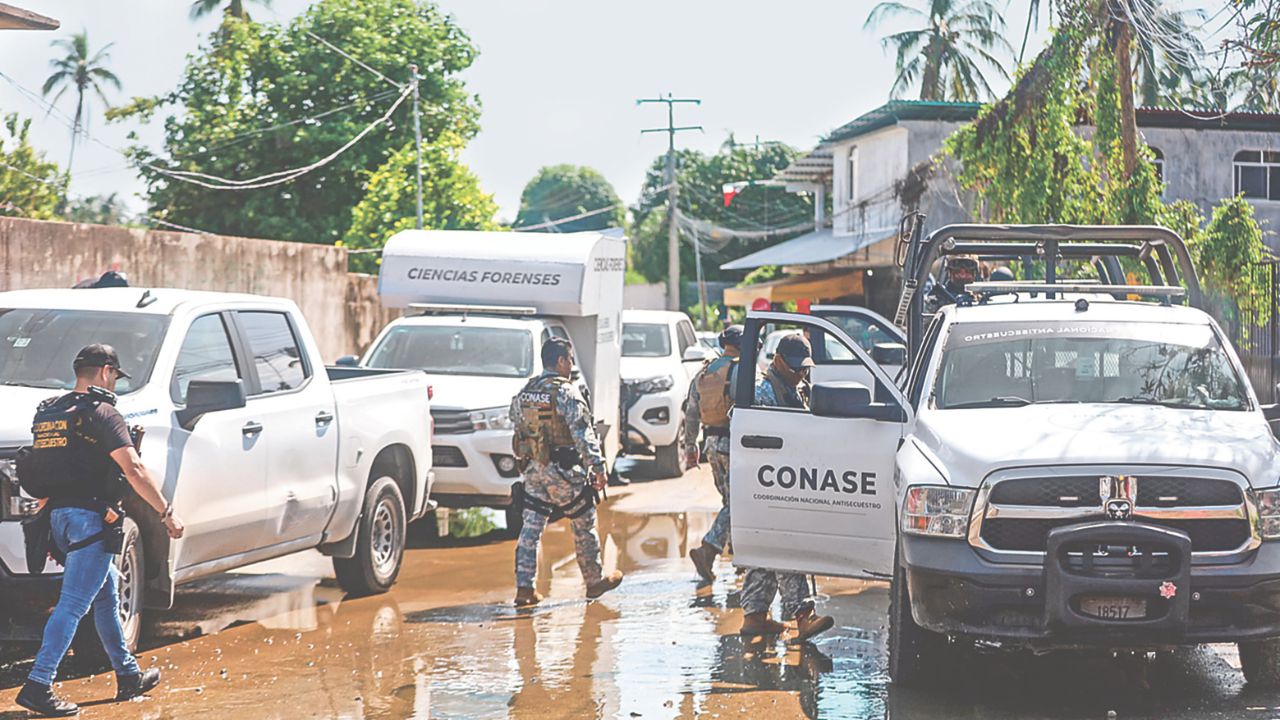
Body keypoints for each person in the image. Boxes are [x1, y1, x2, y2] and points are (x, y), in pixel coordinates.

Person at [16, 345, 184, 718]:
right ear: (107, 371)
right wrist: (165, 513)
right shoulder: (102, 413)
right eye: (115, 376)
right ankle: (38, 685)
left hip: (58, 519)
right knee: (73, 604)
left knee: (106, 593)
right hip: (91, 520)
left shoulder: (49, 412)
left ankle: (128, 675)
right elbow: (135, 470)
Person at [509, 337, 623, 608]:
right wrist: (598, 467)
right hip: (562, 470)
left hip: (535, 469)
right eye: (570, 360)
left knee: (531, 528)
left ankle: (525, 588)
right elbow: (582, 434)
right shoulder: (567, 393)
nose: (571, 366)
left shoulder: (527, 390)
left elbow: (515, 421)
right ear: (560, 361)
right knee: (584, 520)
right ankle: (594, 581)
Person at [738, 334, 835, 641]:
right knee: (786, 545)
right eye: (794, 368)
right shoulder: (763, 392)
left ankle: (755, 615)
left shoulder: (797, 389)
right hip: (767, 479)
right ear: (777, 360)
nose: (799, 373)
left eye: (804, 368)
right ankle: (803, 615)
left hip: (784, 478)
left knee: (766, 547)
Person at [684, 325, 743, 582]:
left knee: (729, 502)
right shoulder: (741, 370)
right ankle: (708, 550)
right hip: (733, 445)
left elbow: (691, 412)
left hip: (711, 445)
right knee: (738, 504)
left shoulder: (705, 372)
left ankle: (739, 555)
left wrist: (690, 447)